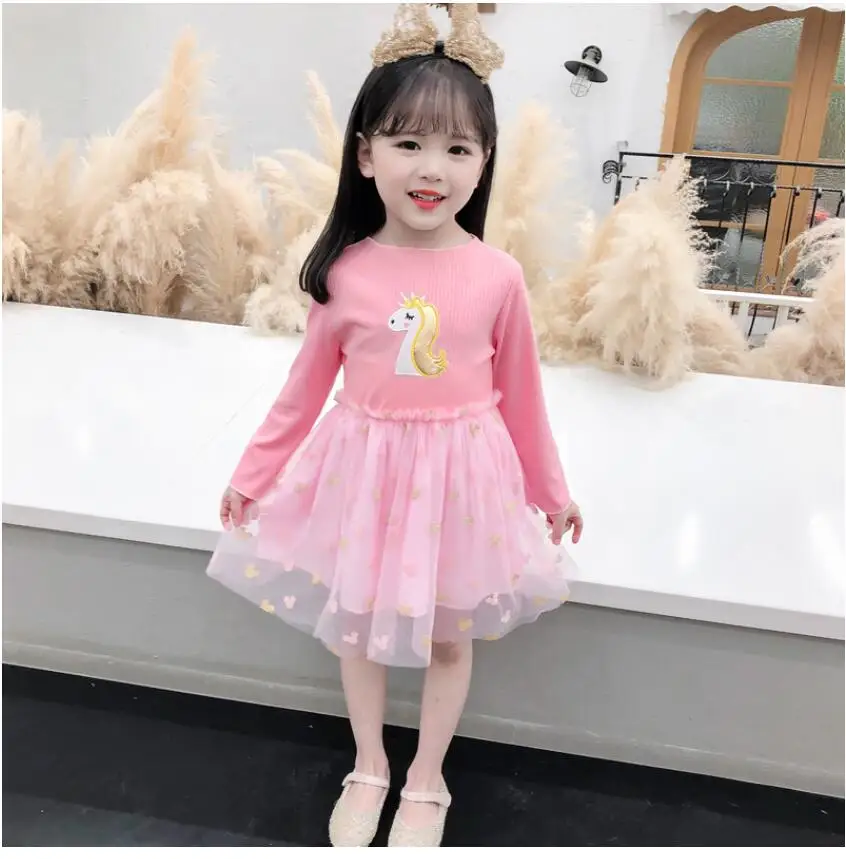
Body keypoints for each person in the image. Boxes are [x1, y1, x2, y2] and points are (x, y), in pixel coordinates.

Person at [208, 3, 584, 848]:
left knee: (450, 635)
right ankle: (370, 764)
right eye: (408, 142)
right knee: (360, 626)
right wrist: (252, 474)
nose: (432, 168)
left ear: (485, 161)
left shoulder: (498, 275)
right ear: (366, 153)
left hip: (460, 482)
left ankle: (427, 776)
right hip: (366, 476)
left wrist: (551, 490)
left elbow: (523, 396)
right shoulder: (345, 271)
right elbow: (303, 391)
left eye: (458, 148)